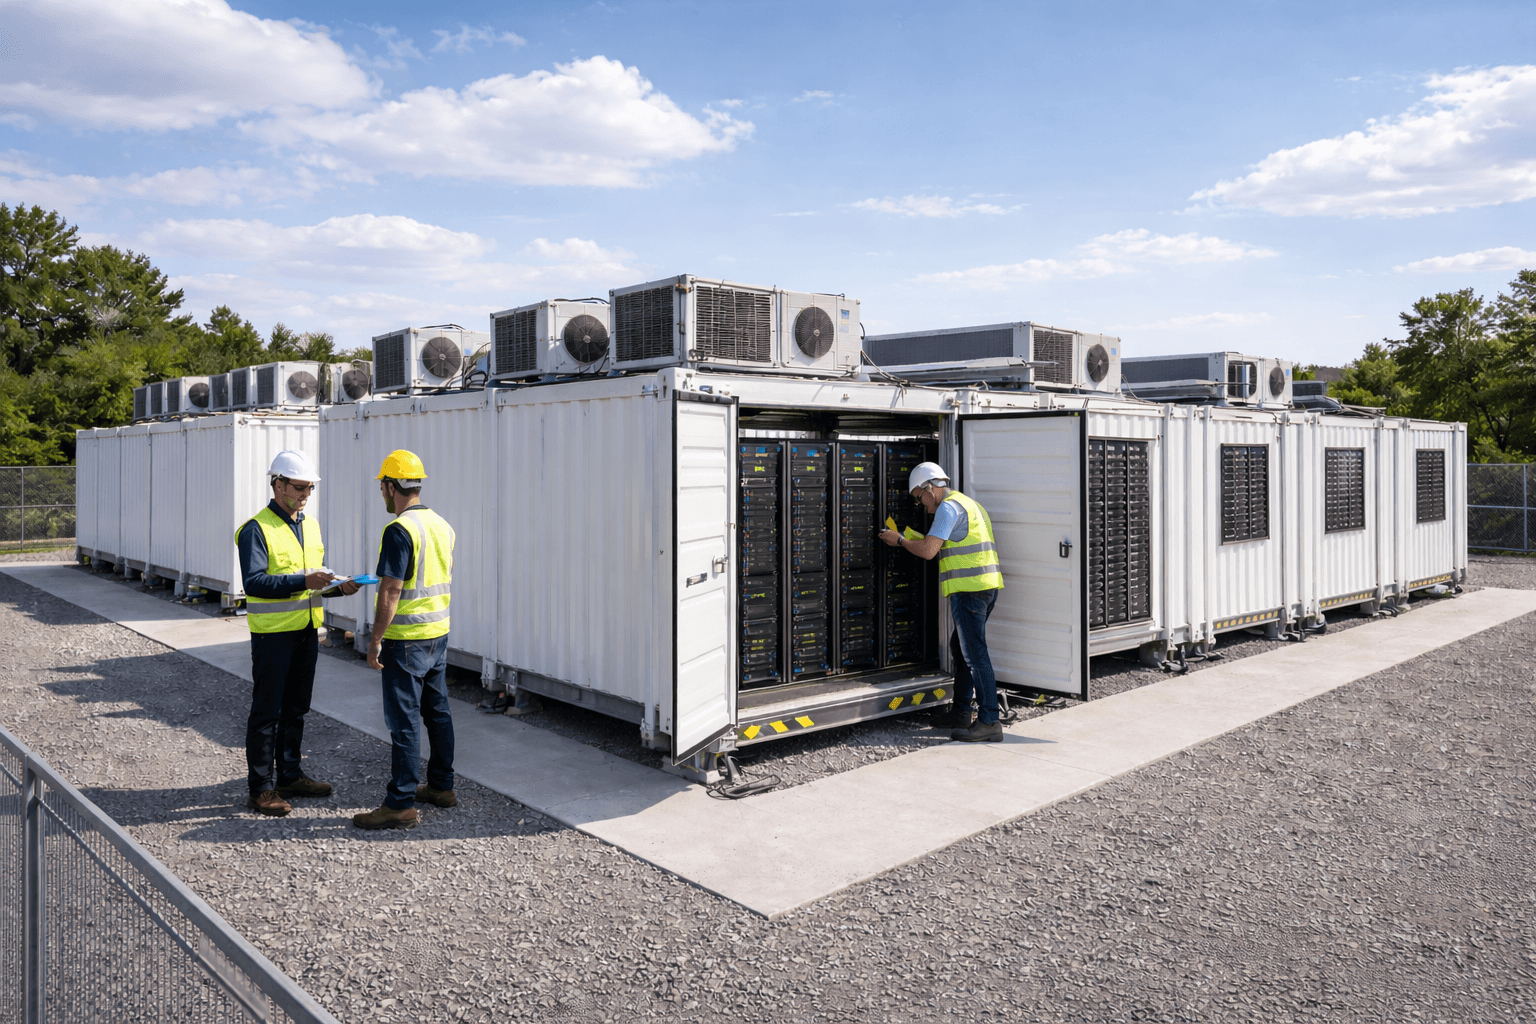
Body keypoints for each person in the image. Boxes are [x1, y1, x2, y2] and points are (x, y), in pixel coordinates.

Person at [237, 449, 359, 816]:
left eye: (310, 488)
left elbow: (313, 584)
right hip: (272, 635)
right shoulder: (255, 530)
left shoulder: (311, 525)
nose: (306, 494)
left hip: (307, 630)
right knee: (267, 712)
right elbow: (255, 582)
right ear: (278, 485)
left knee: (296, 708)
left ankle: (289, 775)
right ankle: (260, 788)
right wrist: (305, 580)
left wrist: (338, 587)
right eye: (300, 487)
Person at [353, 450, 458, 830]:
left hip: (406, 639)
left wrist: (376, 638)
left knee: (404, 722)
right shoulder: (442, 525)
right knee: (438, 713)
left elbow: (391, 592)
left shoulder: (399, 531)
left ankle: (399, 803)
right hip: (437, 635)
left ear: (391, 486)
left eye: (383, 486)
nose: (382, 493)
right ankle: (442, 787)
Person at [878, 461, 1006, 742]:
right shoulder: (969, 504)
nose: (920, 503)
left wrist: (899, 540)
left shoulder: (948, 507)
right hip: (986, 587)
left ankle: (989, 721)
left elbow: (928, 551)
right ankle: (961, 712)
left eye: (918, 496)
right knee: (961, 649)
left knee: (974, 655)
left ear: (931, 488)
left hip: (969, 591)